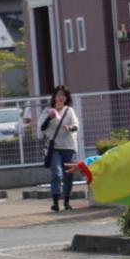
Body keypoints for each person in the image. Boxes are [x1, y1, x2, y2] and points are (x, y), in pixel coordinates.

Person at [40, 84, 80, 212]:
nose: (61, 97)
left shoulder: (69, 111)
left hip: (69, 147)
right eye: (58, 94)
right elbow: (41, 128)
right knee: (56, 174)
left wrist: (69, 128)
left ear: (66, 97)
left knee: (68, 175)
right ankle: (55, 202)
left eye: (63, 95)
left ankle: (67, 202)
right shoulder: (48, 111)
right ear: (55, 97)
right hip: (55, 147)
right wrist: (49, 118)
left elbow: (76, 126)